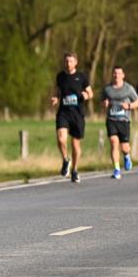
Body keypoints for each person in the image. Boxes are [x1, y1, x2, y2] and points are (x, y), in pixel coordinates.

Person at [50, 52, 92, 184]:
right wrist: (55, 98)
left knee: (75, 144)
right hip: (63, 112)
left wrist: (86, 95)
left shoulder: (81, 77)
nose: (68, 63)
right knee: (61, 139)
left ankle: (74, 170)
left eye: (71, 61)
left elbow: (91, 92)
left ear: (76, 62)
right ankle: (65, 159)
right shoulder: (60, 76)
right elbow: (58, 92)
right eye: (66, 61)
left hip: (77, 114)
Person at [101, 66, 138, 179]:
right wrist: (105, 104)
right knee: (113, 142)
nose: (116, 75)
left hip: (124, 120)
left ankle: (127, 156)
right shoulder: (107, 89)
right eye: (115, 73)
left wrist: (128, 106)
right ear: (112, 75)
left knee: (125, 147)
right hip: (111, 120)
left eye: (119, 73)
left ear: (123, 75)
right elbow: (103, 102)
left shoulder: (128, 88)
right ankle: (116, 169)